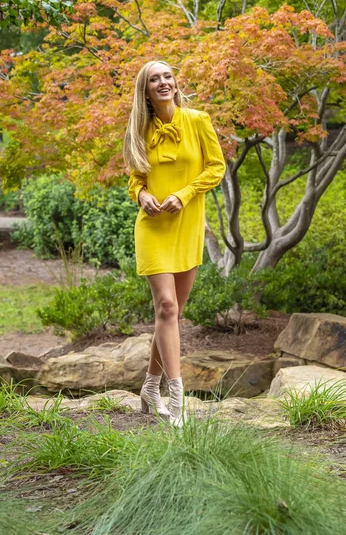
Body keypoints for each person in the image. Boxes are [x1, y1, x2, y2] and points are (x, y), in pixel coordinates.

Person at [124, 60, 226, 427]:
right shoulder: (138, 128)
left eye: (167, 76)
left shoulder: (197, 120)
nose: (163, 82)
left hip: (187, 223)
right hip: (152, 228)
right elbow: (136, 179)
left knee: (172, 314)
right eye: (155, 79)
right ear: (146, 90)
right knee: (166, 306)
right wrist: (142, 196)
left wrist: (184, 194)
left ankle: (150, 388)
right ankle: (177, 402)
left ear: (175, 82)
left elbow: (216, 167)